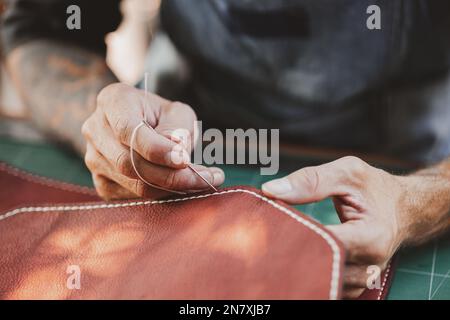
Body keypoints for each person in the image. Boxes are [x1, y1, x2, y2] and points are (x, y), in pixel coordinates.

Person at [2, 0, 450, 298]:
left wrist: (419, 202)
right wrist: (105, 124)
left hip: (413, 142)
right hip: (205, 120)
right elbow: (45, 30)